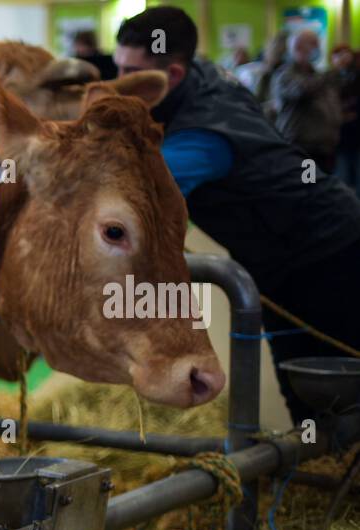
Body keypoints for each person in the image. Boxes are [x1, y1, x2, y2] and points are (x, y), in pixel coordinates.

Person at [114, 7, 360, 424]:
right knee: (305, 386)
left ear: (171, 76)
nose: (117, 84)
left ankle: (335, 474)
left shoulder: (201, 137)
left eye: (132, 74)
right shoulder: (203, 77)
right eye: (117, 67)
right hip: (288, 252)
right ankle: (322, 470)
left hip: (327, 253)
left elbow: (131, 196)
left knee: (334, 384)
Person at [270, 29, 342, 171]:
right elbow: (301, 90)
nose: (318, 48)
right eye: (314, 44)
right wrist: (332, 71)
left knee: (321, 190)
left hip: (324, 147)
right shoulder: (285, 74)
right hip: (302, 146)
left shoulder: (316, 74)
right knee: (307, 189)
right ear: (298, 47)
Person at [329, 44, 360, 190]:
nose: (343, 58)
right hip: (338, 137)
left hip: (355, 133)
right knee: (342, 179)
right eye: (338, 55)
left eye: (346, 54)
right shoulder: (329, 78)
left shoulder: (356, 76)